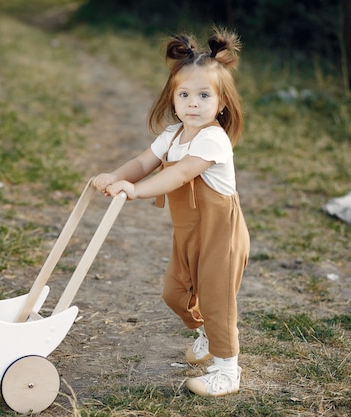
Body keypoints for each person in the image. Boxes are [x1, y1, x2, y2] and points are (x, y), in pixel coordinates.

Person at [92, 28, 250, 397]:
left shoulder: (212, 138)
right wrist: (116, 177)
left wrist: (134, 192)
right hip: (189, 232)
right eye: (184, 94)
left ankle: (227, 368)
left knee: (216, 299)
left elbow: (177, 174)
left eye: (203, 95)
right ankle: (205, 334)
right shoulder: (173, 134)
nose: (193, 103)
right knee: (175, 294)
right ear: (173, 98)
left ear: (222, 103)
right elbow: (143, 161)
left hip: (220, 235)